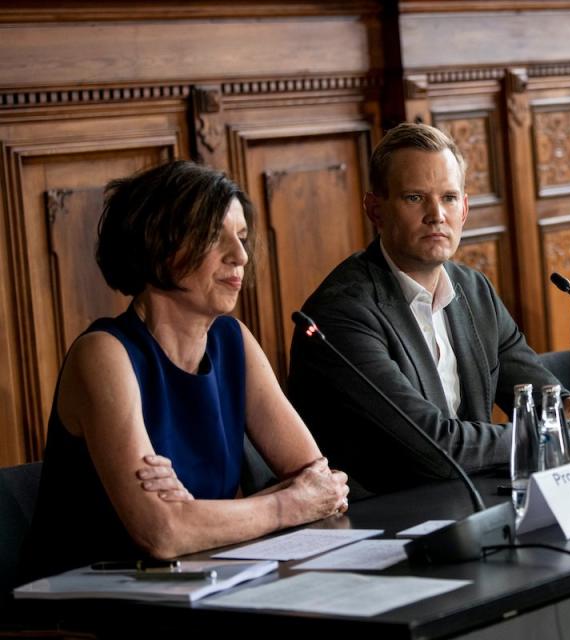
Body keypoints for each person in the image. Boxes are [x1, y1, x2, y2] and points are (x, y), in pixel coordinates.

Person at [19, 161, 349, 583]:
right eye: (216, 237)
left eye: (243, 238)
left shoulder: (233, 340)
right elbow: (162, 533)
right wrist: (283, 505)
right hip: (91, 603)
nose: (241, 256)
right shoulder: (103, 353)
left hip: (200, 580)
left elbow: (322, 484)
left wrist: (198, 516)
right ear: (159, 245)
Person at [288, 123, 570, 494]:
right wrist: (556, 427)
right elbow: (436, 449)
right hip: (383, 520)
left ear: (465, 209)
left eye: (449, 198)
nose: (436, 214)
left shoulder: (473, 290)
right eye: (414, 198)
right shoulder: (342, 313)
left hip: (469, 500)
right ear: (376, 210)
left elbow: (545, 399)